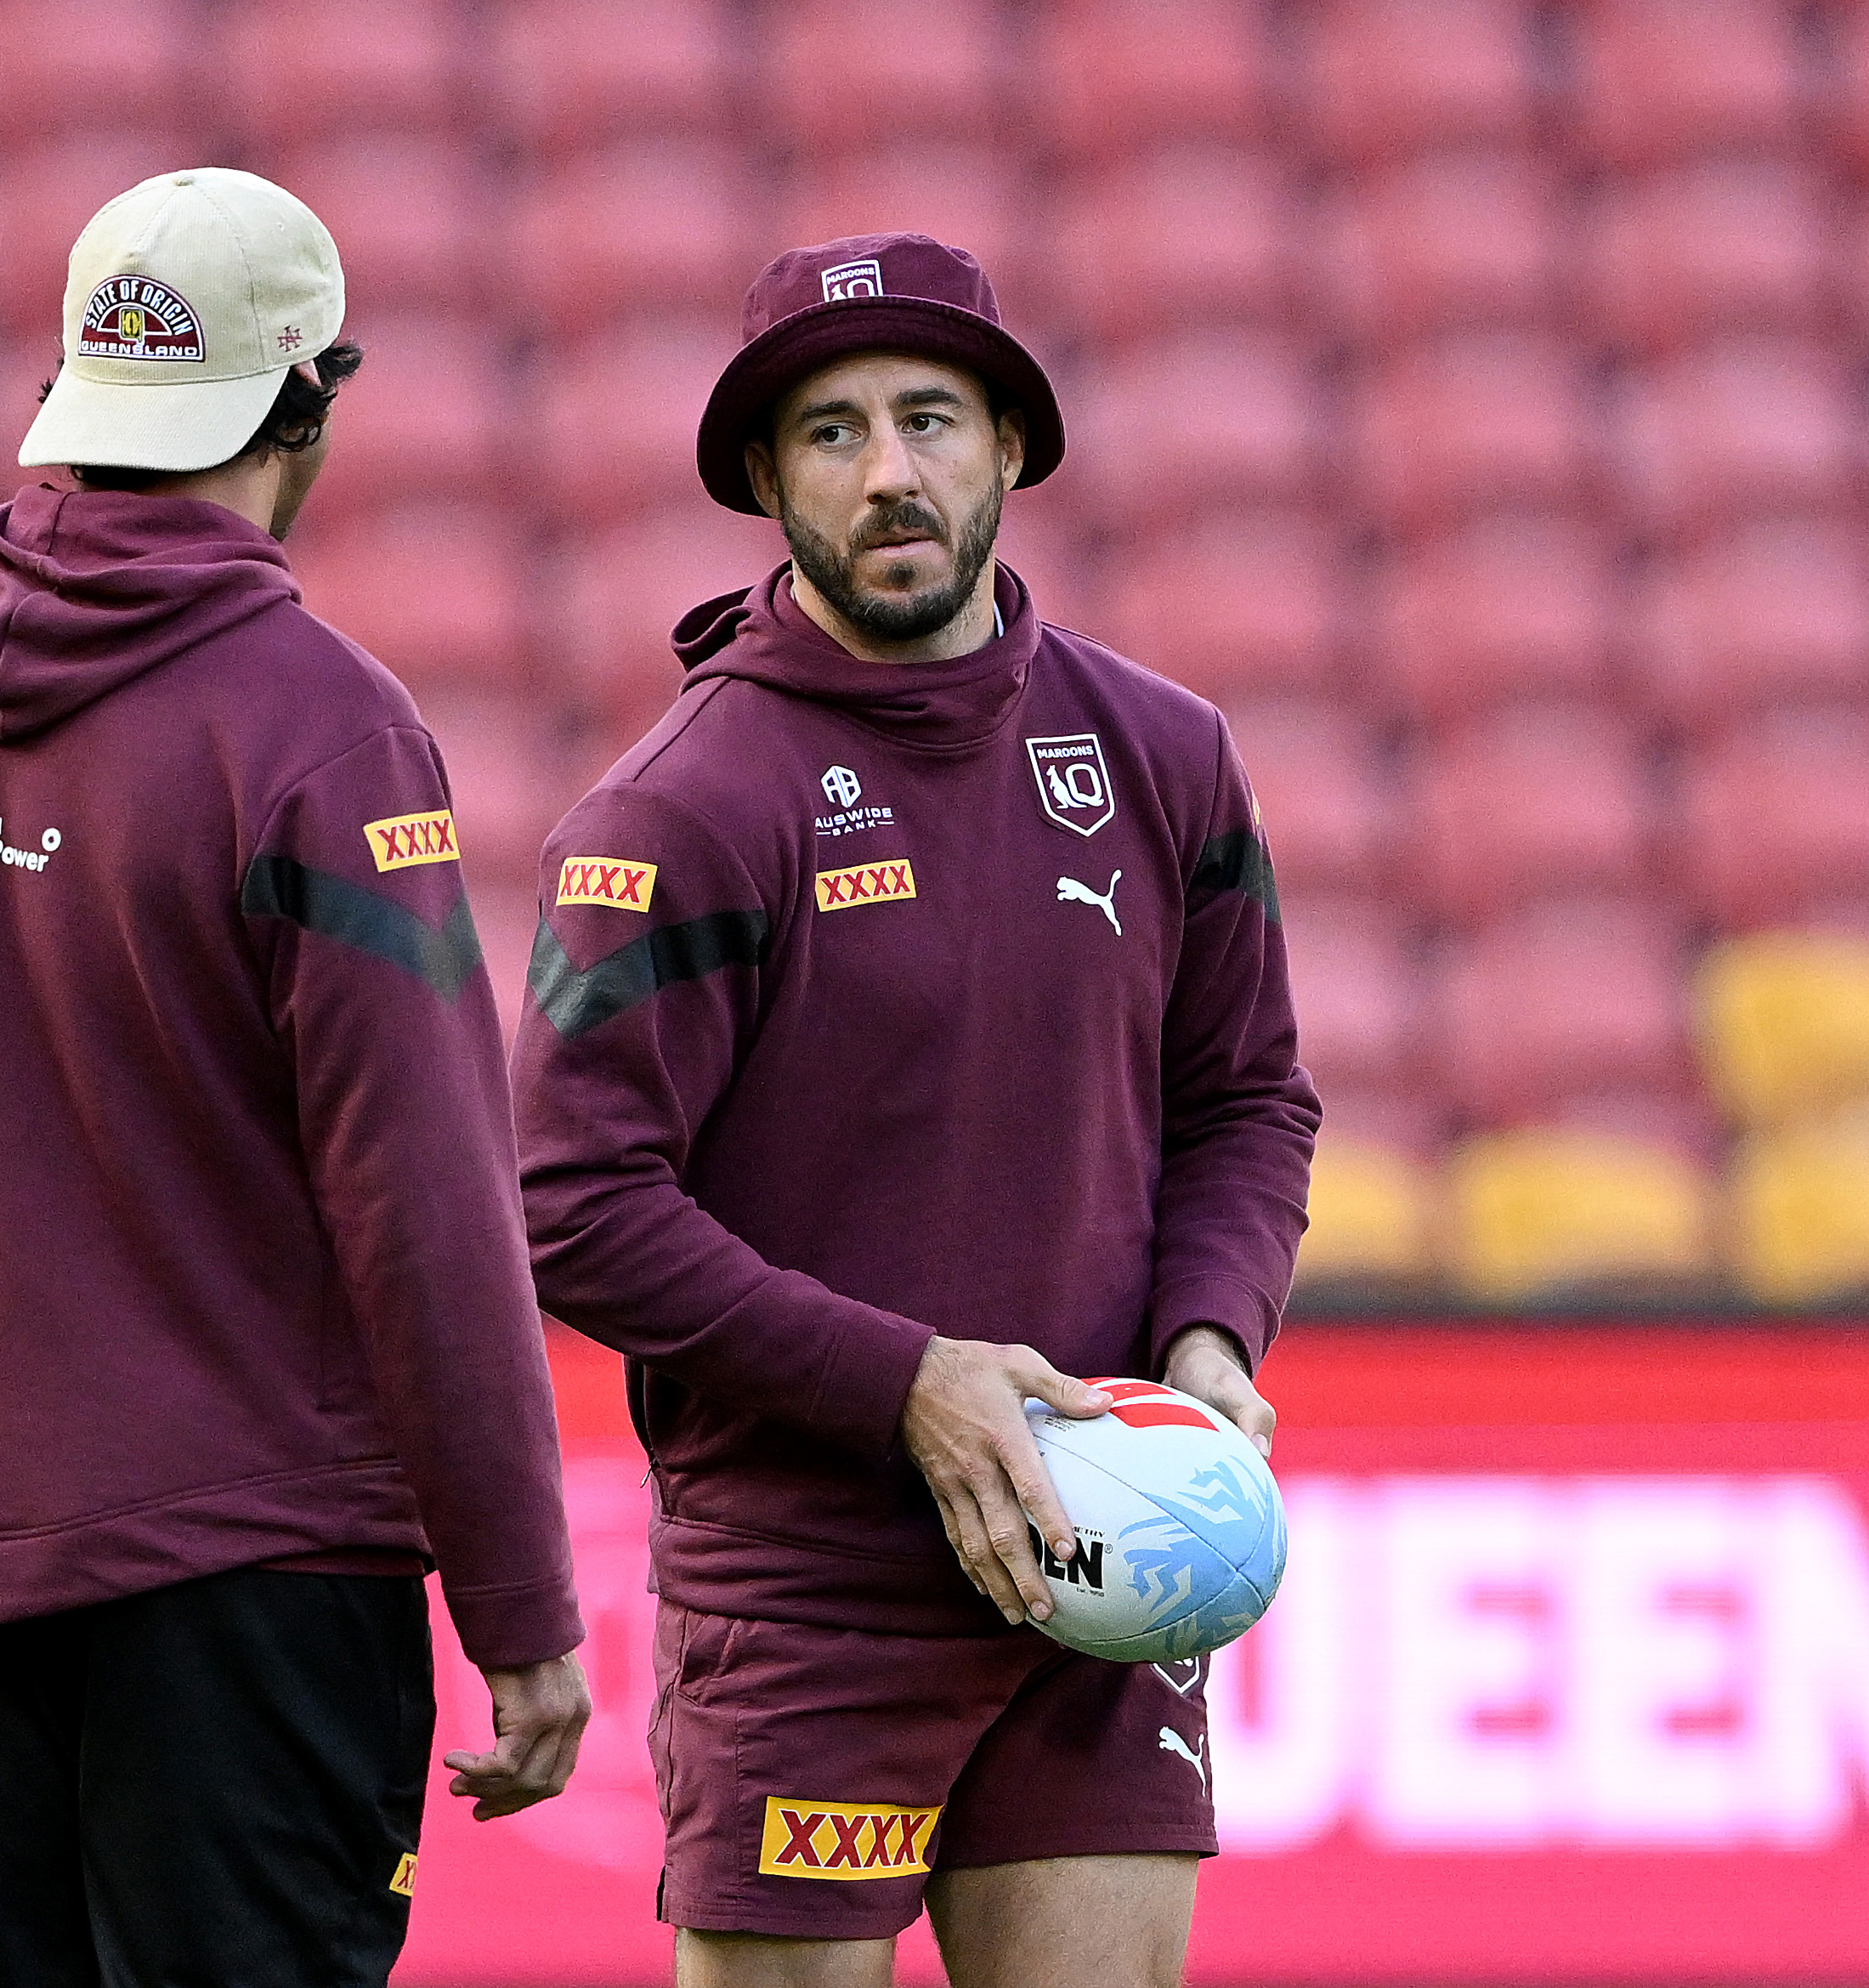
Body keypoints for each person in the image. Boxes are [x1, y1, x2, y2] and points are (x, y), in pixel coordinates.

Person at [0, 167, 591, 1988]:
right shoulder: (322, 729)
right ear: (305, 397)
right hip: (254, 1594)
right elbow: (425, 1205)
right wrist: (524, 1611)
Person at [507, 232, 1321, 1988]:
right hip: (815, 1591)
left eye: (932, 419)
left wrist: (1204, 1347)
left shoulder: (1166, 754)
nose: (890, 473)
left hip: (1110, 1563)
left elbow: (1246, 1098)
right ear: (762, 480)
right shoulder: (678, 810)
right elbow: (570, 1206)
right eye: (831, 432)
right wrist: (912, 1387)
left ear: (1012, 448)